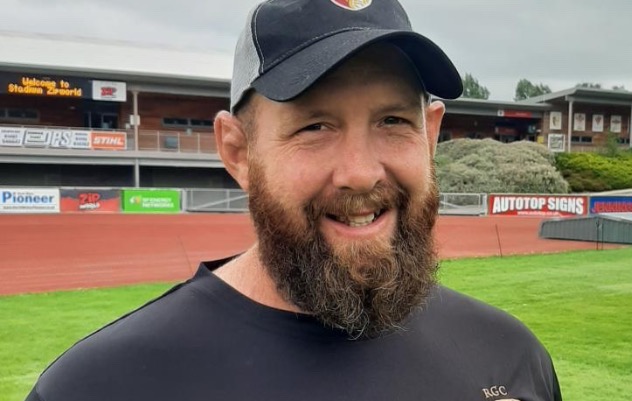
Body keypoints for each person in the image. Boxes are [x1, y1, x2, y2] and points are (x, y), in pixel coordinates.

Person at [25, 1, 562, 400]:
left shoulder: (509, 356)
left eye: (393, 120)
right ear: (237, 151)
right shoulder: (98, 386)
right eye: (314, 126)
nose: (360, 173)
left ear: (430, 134)